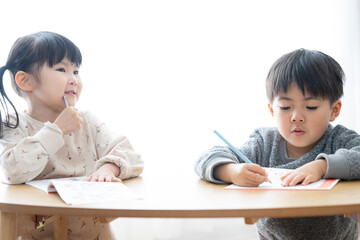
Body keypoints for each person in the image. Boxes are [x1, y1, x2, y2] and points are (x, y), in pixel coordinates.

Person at [194, 48, 360, 239]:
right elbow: (204, 159)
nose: (297, 117)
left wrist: (322, 166)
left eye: (311, 107)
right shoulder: (265, 142)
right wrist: (232, 171)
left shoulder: (338, 140)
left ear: (334, 110)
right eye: (285, 107)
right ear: (272, 110)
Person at [0, 31, 144, 239]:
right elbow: (13, 171)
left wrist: (108, 169)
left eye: (76, 71)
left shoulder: (86, 120)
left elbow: (132, 156)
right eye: (61, 69)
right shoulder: (14, 125)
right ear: (25, 81)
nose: (74, 79)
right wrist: (57, 130)